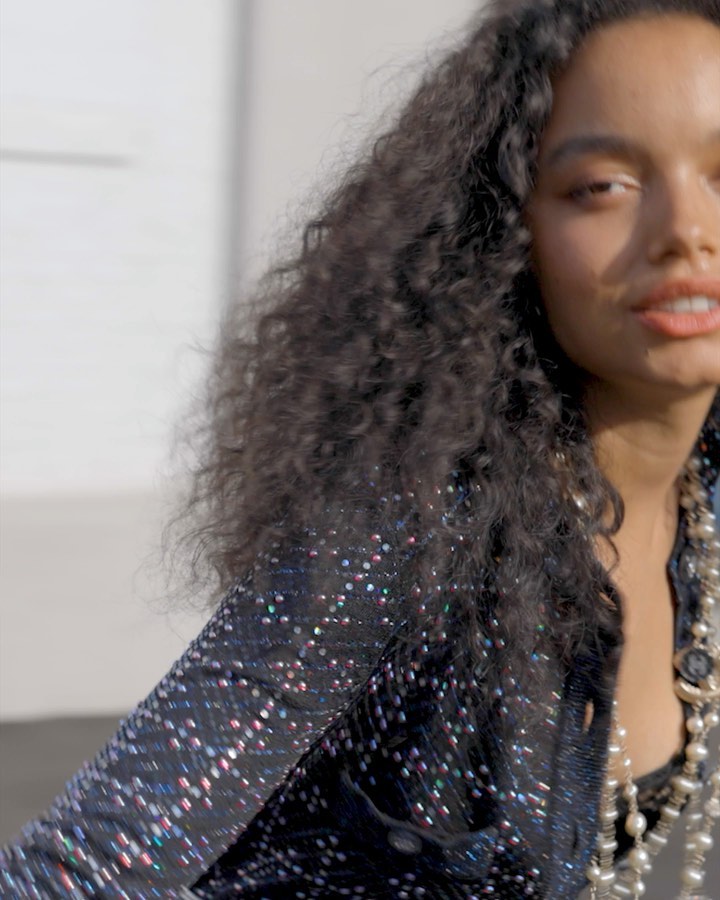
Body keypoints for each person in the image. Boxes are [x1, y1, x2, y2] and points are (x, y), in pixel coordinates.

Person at [2, 0, 719, 896]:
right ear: (508, 232)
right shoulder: (415, 521)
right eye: (602, 185)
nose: (685, 230)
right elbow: (79, 871)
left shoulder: (701, 498)